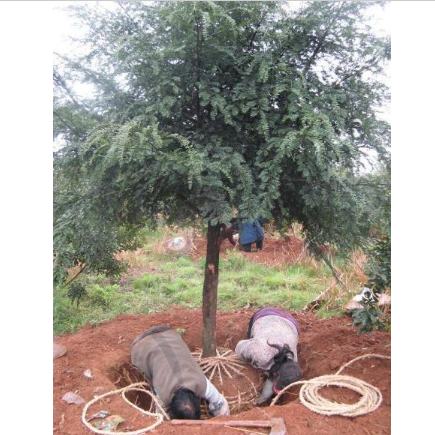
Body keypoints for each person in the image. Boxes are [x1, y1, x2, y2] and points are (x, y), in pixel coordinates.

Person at [131, 326, 230, 419]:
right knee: (148, 373)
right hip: (142, 344)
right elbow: (160, 414)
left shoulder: (202, 384)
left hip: (168, 334)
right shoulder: (162, 396)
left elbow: (220, 405)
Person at [235, 307, 302, 404]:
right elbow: (239, 347)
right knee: (255, 360)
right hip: (265, 316)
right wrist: (251, 361)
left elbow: (276, 377)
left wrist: (260, 401)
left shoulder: (293, 361)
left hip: (291, 324)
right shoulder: (260, 352)